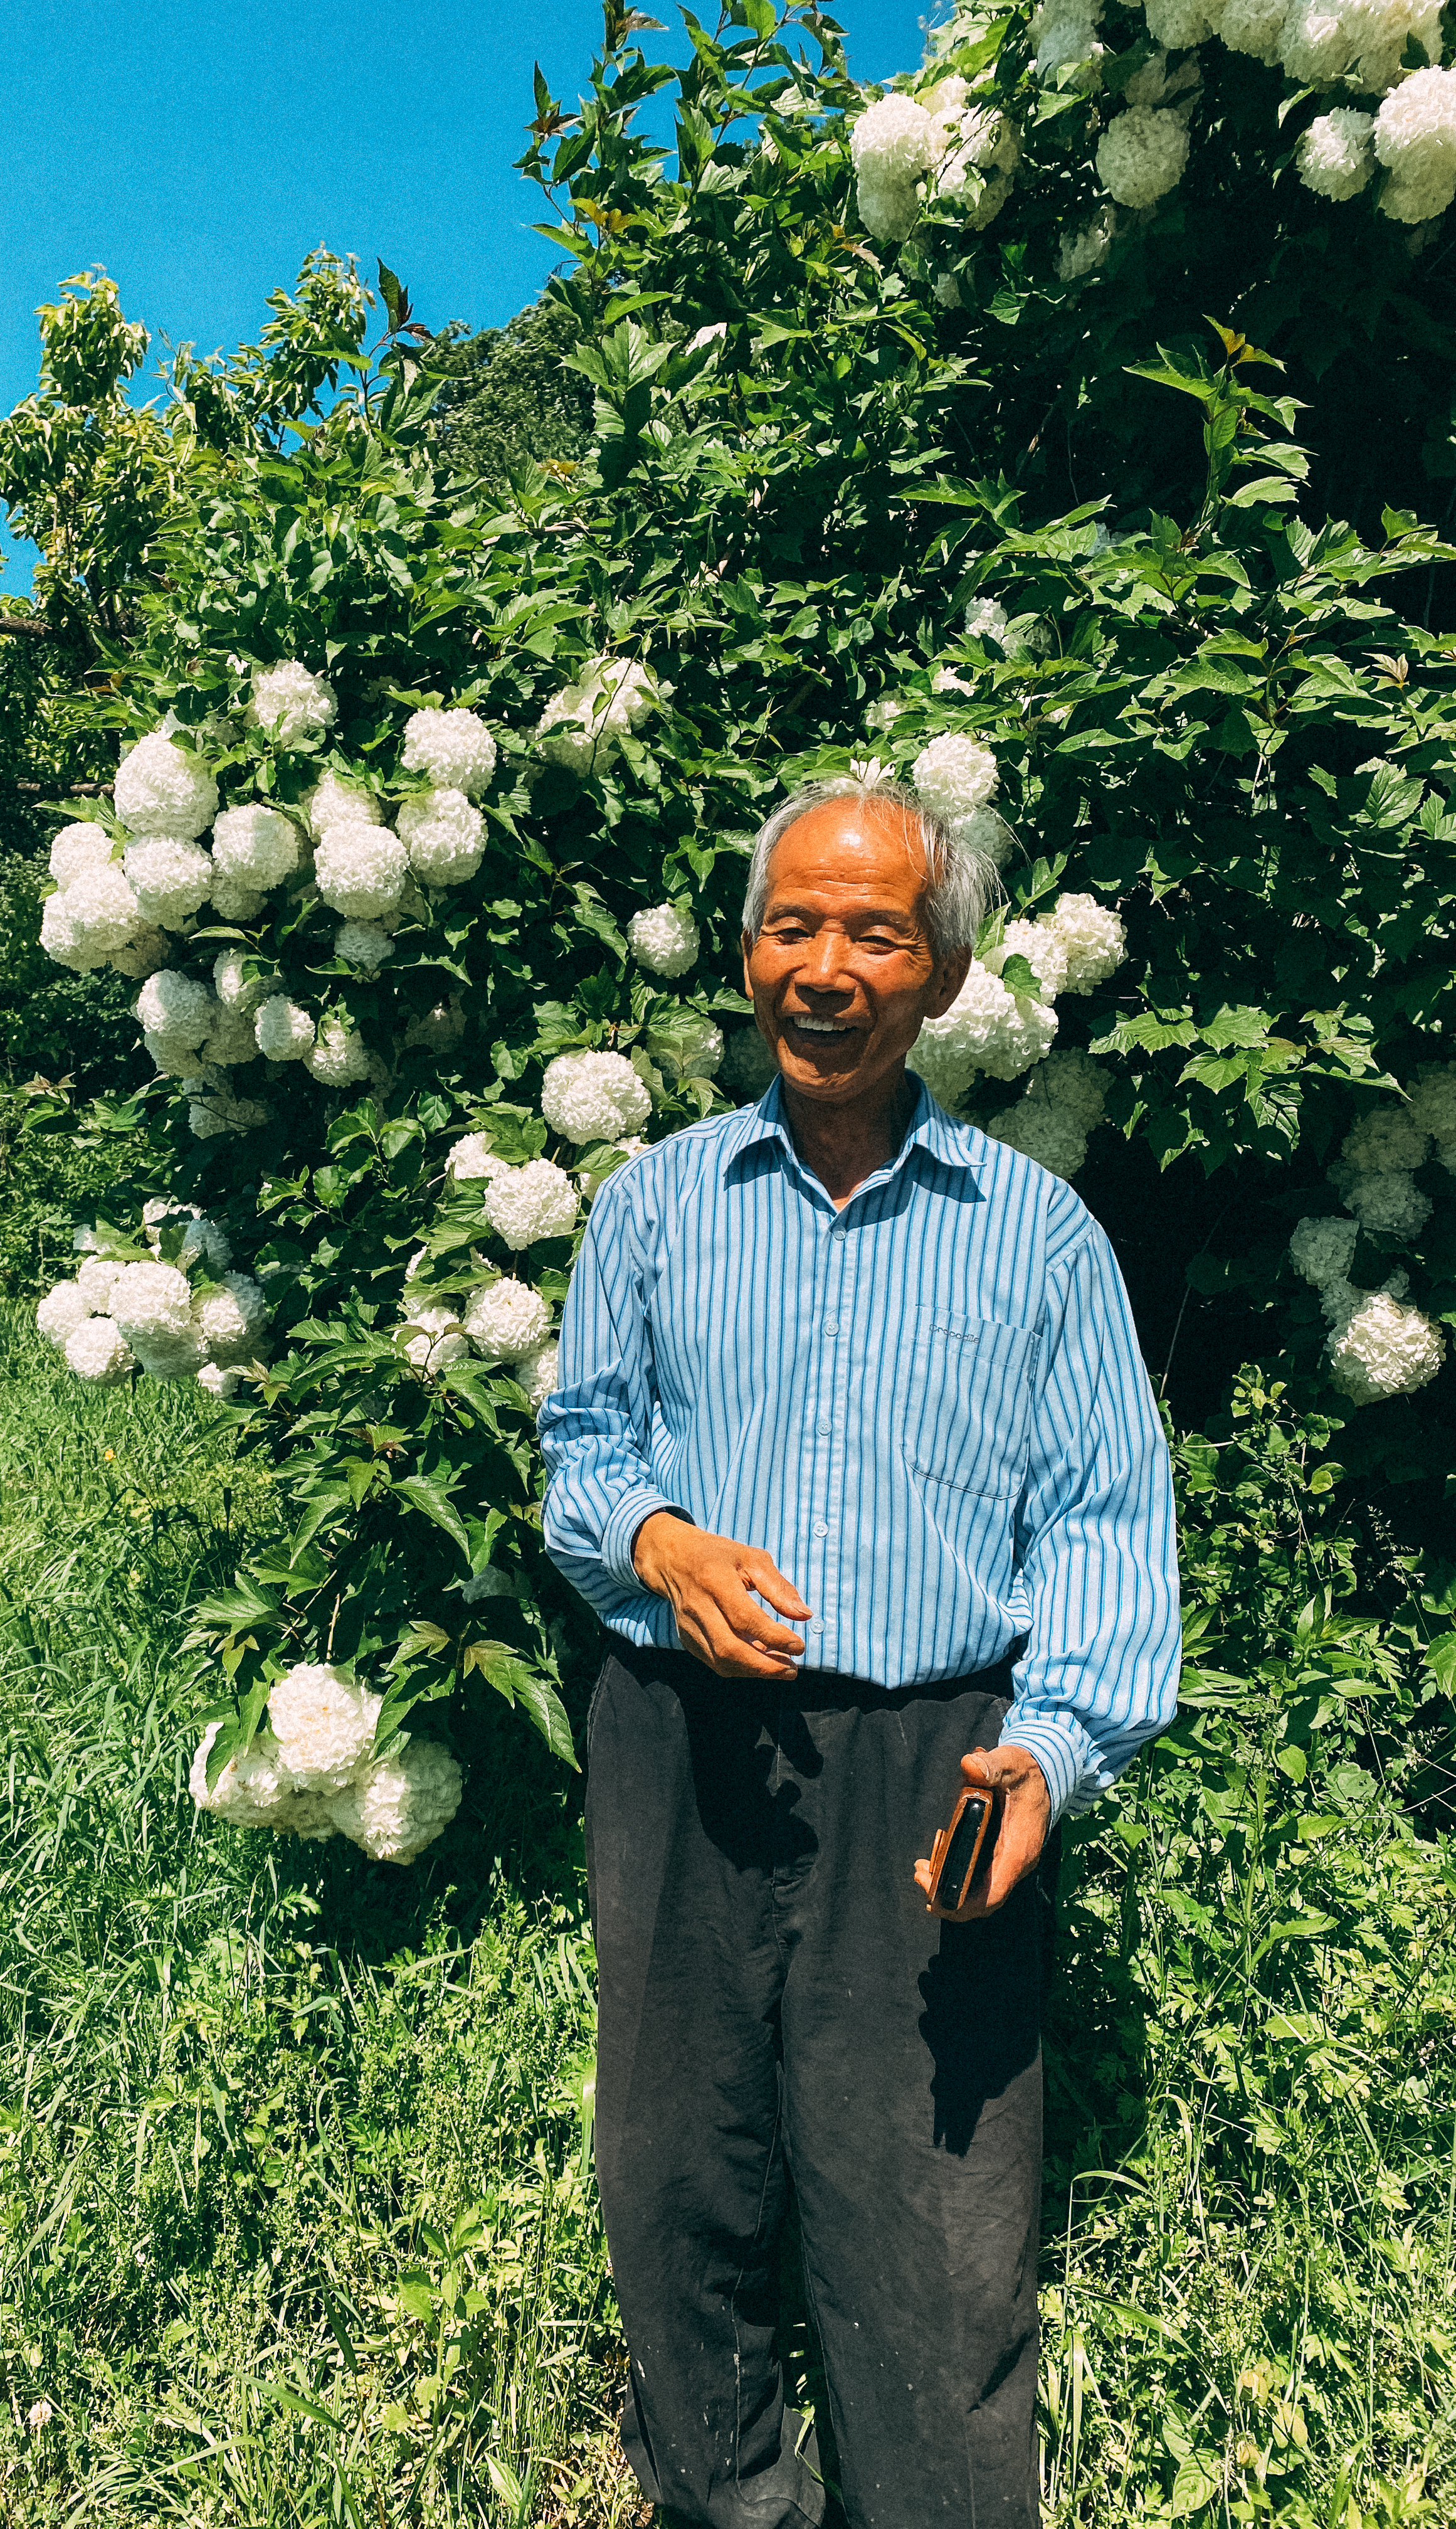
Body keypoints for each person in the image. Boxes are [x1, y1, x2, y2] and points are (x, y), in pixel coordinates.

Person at [538, 777, 1178, 2529]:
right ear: (749, 955)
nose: (827, 968)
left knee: (930, 2230)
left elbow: (1112, 1536)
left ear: (949, 971)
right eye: (793, 926)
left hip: (937, 1764)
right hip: (682, 1745)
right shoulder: (657, 1209)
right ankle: (730, 2504)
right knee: (683, 2187)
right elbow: (581, 1458)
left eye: (875, 932)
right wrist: (657, 1546)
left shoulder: (1037, 1241)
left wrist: (1049, 1756)